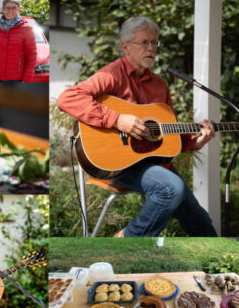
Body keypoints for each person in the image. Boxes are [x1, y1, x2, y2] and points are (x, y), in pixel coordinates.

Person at [57, 16, 218, 238]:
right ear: (126, 47)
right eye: (144, 43)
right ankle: (125, 241)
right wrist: (117, 119)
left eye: (154, 43)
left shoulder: (160, 85)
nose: (151, 48)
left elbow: (170, 138)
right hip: (116, 164)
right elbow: (67, 98)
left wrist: (195, 141)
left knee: (203, 227)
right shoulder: (111, 74)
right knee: (171, 188)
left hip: (154, 164)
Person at [0, 0, 37, 84]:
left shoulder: (27, 29)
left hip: (16, 79)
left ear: (19, 9)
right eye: (7, 8)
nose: (10, 11)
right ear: (2, 9)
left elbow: (31, 56)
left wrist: (27, 79)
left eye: (13, 8)